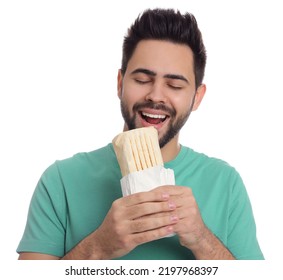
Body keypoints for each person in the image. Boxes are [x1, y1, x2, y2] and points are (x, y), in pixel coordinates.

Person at [17, 8, 264, 260]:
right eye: (143, 79)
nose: (156, 95)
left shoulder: (225, 183)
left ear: (197, 97)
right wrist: (100, 246)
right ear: (120, 83)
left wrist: (201, 239)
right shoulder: (60, 180)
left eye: (174, 85)